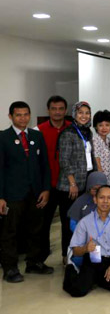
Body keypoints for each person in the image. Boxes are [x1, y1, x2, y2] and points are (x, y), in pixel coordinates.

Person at [0, 101, 53, 283]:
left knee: (35, 229)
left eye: (26, 114)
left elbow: (45, 165)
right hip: (12, 194)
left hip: (35, 193)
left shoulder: (37, 136)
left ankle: (34, 263)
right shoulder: (3, 137)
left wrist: (46, 189)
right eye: (18, 115)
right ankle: (10, 268)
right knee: (10, 232)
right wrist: (1, 197)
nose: (23, 118)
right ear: (10, 117)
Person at [64, 184, 110, 297]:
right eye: (101, 197)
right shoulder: (84, 222)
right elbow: (75, 251)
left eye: (109, 198)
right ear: (95, 199)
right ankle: (71, 270)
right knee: (77, 291)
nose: (105, 201)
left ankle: (96, 279)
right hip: (92, 260)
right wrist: (85, 248)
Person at [57, 101, 97, 262]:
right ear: (74, 114)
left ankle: (81, 253)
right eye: (80, 112)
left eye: (87, 113)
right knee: (69, 222)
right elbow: (64, 161)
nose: (84, 116)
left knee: (83, 221)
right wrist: (72, 183)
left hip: (85, 183)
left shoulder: (88, 132)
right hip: (70, 186)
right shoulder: (68, 133)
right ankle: (66, 255)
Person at [37, 95, 71, 264]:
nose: (57, 112)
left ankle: (67, 256)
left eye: (60, 109)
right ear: (48, 110)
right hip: (46, 186)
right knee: (43, 224)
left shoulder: (72, 128)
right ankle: (41, 259)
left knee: (68, 222)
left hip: (67, 185)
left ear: (65, 110)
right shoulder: (38, 130)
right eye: (54, 109)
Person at [92, 110, 110, 185]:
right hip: (101, 176)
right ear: (96, 126)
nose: (104, 128)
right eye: (100, 125)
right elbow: (96, 158)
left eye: (107, 125)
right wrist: (100, 174)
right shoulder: (95, 140)